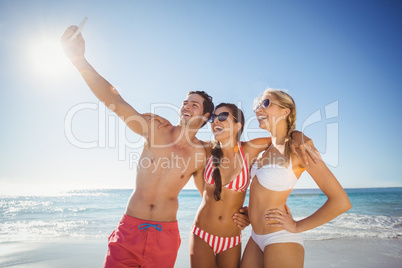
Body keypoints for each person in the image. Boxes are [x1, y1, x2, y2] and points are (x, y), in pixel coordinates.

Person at [61, 25, 217, 268]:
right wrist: (79, 60)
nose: (186, 106)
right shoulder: (155, 130)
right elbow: (114, 101)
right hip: (130, 230)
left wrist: (236, 215)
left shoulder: (203, 152)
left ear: (206, 116)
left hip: (165, 236)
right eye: (185, 102)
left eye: (194, 105)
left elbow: (208, 197)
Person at [240, 89, 352, 268]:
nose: (258, 109)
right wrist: (250, 213)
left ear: (286, 111)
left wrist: (297, 226)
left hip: (281, 238)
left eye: (266, 103)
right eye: (258, 105)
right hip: (254, 237)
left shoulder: (299, 150)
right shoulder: (265, 151)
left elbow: (341, 202)